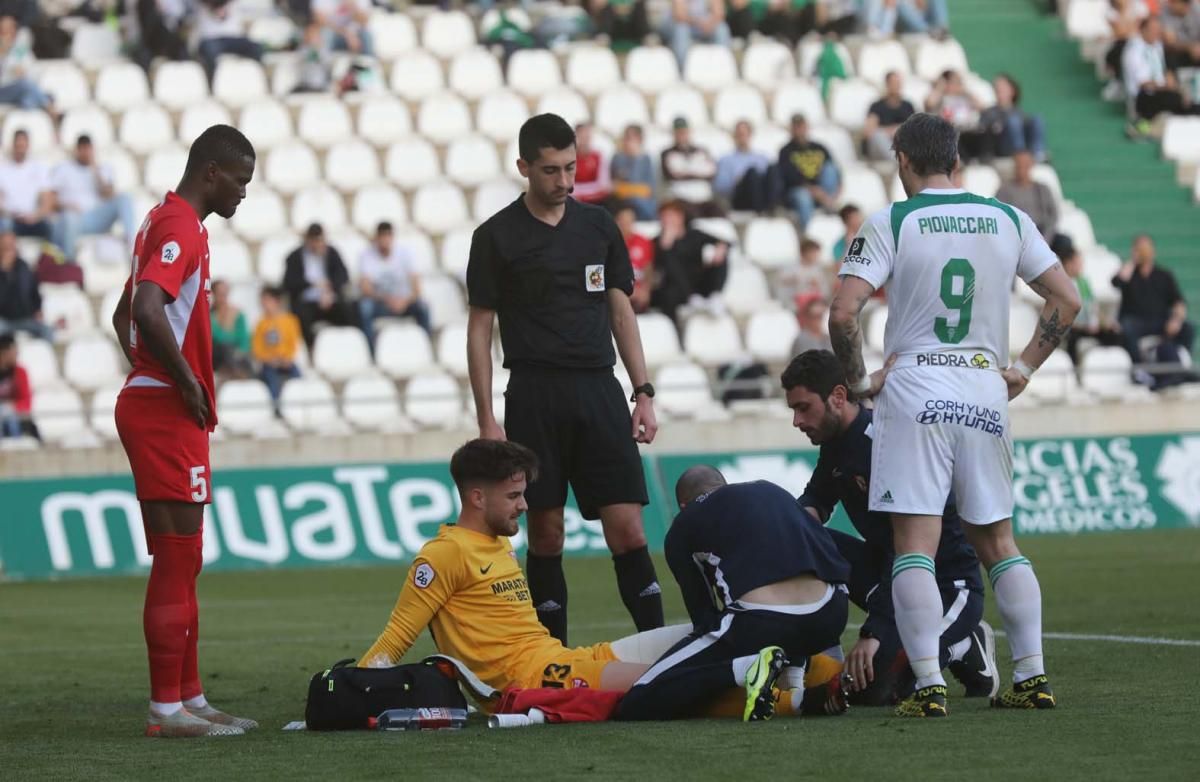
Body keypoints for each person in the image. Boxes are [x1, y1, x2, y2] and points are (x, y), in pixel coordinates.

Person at [828, 112, 1080, 717]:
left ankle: (928, 685)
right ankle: (1032, 677)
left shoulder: (893, 220)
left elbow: (843, 314)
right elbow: (1067, 299)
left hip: (916, 382)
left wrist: (862, 382)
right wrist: (1022, 369)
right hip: (983, 381)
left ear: (904, 161)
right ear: (957, 160)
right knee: (999, 541)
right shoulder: (1007, 218)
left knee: (915, 543)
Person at [359, 439, 835, 719]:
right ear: (477, 498)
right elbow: (397, 636)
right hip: (536, 679)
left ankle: (820, 676)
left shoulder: (497, 544)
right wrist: (351, 691)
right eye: (514, 496)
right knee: (660, 686)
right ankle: (798, 701)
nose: (524, 506)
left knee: (704, 637)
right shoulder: (443, 555)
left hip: (564, 658)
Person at [466, 114, 664, 646]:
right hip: (533, 395)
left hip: (599, 389)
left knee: (629, 529)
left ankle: (660, 654)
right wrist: (487, 418)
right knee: (546, 534)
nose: (564, 181)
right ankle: (550, 664)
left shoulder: (599, 227)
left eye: (571, 168)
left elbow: (621, 311)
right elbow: (480, 330)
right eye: (551, 170)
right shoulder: (495, 236)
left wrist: (642, 392)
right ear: (524, 167)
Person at [109, 124, 258, 739]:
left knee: (186, 558)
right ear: (212, 173)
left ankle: (189, 698)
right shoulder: (176, 228)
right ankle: (165, 710)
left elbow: (123, 314)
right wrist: (180, 380)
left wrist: (151, 371)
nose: (244, 194)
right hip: (167, 410)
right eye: (241, 181)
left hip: (162, 405)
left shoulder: (166, 222)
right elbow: (144, 310)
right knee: (176, 558)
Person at [783, 349, 998, 706]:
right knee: (800, 535)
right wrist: (787, 530)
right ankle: (810, 648)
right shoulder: (837, 444)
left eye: (803, 407)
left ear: (838, 397)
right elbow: (816, 499)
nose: (796, 420)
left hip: (945, 583)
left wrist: (874, 633)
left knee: (877, 687)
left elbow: (904, 548)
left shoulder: (884, 445)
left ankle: (965, 644)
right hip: (892, 576)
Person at [615, 469, 851, 721]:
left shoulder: (683, 525)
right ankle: (797, 694)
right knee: (789, 620)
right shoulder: (773, 491)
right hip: (832, 614)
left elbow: (705, 620)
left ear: (684, 505)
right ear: (724, 484)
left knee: (637, 701)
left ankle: (747, 669)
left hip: (765, 623)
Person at [51, 134, 138, 261]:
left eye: (88, 149)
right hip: (75, 218)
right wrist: (67, 206)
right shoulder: (63, 169)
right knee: (70, 218)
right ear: (77, 150)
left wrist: (95, 170)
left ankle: (132, 244)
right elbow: (52, 200)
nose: (86, 153)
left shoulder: (103, 168)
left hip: (98, 217)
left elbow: (109, 194)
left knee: (125, 198)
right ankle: (69, 261)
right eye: (83, 149)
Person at [1112, 234, 1194, 363]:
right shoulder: (1129, 273)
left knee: (1188, 328)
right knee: (1126, 327)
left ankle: (1181, 363)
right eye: (1139, 249)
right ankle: (1139, 367)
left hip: (1160, 321)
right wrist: (1133, 261)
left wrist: (1176, 320)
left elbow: (1178, 302)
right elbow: (1117, 282)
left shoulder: (1164, 275)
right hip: (1136, 321)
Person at [650, 199, 729, 325]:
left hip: (698, 282)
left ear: (681, 216)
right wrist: (666, 248)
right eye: (664, 216)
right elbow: (659, 268)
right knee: (670, 290)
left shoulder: (694, 235)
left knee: (721, 256)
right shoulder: (656, 241)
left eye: (671, 215)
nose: (667, 220)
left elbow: (724, 241)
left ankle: (715, 295)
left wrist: (720, 248)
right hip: (676, 288)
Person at [357, 221, 432, 349]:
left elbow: (417, 287)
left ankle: (426, 346)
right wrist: (388, 300)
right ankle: (371, 350)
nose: (385, 241)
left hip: (404, 303)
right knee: (365, 308)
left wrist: (405, 301)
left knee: (423, 307)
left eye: (388, 236)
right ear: (377, 238)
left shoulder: (405, 253)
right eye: (382, 237)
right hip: (381, 303)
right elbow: (366, 288)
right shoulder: (367, 255)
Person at [283, 223, 355, 350]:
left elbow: (343, 275)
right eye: (314, 241)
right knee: (300, 316)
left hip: (330, 299)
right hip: (307, 301)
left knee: (349, 310)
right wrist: (310, 284)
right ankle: (312, 348)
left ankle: (346, 346)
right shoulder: (295, 257)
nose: (317, 244)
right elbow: (289, 283)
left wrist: (330, 290)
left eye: (319, 240)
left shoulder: (331, 253)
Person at [1055, 235, 1121, 371]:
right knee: (1072, 339)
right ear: (1068, 263)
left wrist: (1102, 323)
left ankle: (1107, 369)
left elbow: (1092, 306)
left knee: (1113, 334)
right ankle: (1074, 371)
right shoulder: (1060, 284)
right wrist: (1083, 325)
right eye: (1078, 262)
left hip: (1088, 326)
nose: (1081, 266)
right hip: (1071, 328)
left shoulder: (1084, 282)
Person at [1124, 16, 1199, 128]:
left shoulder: (1157, 47)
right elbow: (1144, 84)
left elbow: (1165, 73)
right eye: (1153, 30)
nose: (1157, 33)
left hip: (1162, 92)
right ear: (1143, 30)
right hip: (1143, 97)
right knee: (1176, 100)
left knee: (1189, 102)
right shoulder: (1134, 51)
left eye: (1158, 30)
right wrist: (1167, 86)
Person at [778, 114, 839, 231]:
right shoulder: (785, 151)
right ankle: (809, 234)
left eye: (801, 126)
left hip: (824, 192)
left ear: (807, 127)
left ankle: (830, 211)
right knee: (803, 197)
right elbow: (791, 178)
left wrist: (834, 194)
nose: (799, 130)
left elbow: (836, 173)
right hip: (799, 191)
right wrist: (815, 192)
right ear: (791, 129)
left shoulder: (820, 147)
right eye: (796, 127)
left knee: (830, 168)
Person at [252, 285, 303, 412]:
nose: (264, 304)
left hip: (286, 361)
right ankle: (277, 409)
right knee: (272, 380)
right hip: (269, 363)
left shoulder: (290, 320)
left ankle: (299, 406)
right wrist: (269, 359)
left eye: (267, 300)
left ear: (276, 301)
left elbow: (294, 344)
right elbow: (257, 348)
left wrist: (287, 358)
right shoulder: (261, 323)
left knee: (298, 378)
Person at [0, 129, 55, 241]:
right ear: (13, 145)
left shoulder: (39, 168)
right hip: (11, 218)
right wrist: (11, 214)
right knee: (4, 224)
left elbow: (47, 201)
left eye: (23, 144)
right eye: (18, 144)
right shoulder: (3, 170)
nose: (20, 148)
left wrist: (36, 216)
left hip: (34, 219)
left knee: (53, 227)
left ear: (28, 145)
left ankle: (51, 258)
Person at [0, 14, 57, 119]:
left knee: (28, 99)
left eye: (11, 29)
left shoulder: (21, 48)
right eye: (4, 31)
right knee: (26, 86)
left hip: (19, 90)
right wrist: (3, 53)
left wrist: (23, 72)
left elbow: (32, 71)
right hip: (3, 91)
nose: (8, 34)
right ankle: (48, 105)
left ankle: (30, 104)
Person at [978, 74, 1046, 161]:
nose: (999, 89)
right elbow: (984, 133)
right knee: (1013, 121)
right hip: (1001, 148)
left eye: (1003, 87)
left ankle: (1037, 153)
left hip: (1025, 146)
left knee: (1037, 119)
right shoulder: (989, 112)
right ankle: (1019, 155)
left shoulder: (1019, 112)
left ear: (1012, 90)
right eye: (997, 87)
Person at [195, 0, 264, 85]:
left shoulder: (235, 4)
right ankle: (212, 84)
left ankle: (255, 81)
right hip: (210, 39)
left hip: (234, 38)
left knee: (256, 48)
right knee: (210, 51)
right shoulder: (200, 3)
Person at [996, 151, 1058, 242]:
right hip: (1018, 234)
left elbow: (1053, 215)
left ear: (1031, 165)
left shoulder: (1042, 189)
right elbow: (999, 215)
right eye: (1019, 165)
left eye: (1025, 165)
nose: (1022, 169)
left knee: (1065, 243)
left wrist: (1045, 238)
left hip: (1043, 232)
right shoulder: (1004, 190)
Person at [0, 229, 52, 340]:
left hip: (25, 318)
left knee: (47, 331)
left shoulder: (24, 267)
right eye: (5, 246)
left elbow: (35, 292)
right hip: (3, 320)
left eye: (11, 245)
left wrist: (38, 310)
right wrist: (4, 271)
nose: (9, 249)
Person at [712, 120, 771, 211]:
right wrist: (736, 181)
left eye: (744, 134)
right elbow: (720, 187)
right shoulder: (726, 160)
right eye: (739, 134)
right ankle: (761, 210)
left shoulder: (762, 158)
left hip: (762, 194)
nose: (742, 138)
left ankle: (772, 207)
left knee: (773, 169)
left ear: (750, 135)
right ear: (734, 136)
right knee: (752, 173)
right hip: (739, 198)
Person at [660, 117, 717, 207]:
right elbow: (670, 176)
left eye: (684, 132)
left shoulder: (702, 151)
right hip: (680, 198)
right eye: (678, 132)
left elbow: (711, 174)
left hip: (703, 197)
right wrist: (698, 171)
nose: (681, 135)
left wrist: (684, 171)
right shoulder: (667, 153)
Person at [863, 72, 916, 163]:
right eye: (894, 83)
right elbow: (869, 132)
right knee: (878, 135)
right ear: (887, 84)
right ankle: (899, 162)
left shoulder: (908, 106)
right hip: (880, 148)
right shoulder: (876, 106)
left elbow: (915, 130)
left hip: (902, 146)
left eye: (898, 83)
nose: (897, 86)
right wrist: (893, 131)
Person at [661, 0, 731, 68]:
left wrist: (709, 24)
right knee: (681, 29)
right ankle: (683, 68)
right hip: (684, 25)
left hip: (705, 26)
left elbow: (719, 13)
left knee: (722, 28)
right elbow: (679, 15)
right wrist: (699, 23)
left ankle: (723, 65)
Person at [611, 124, 657, 220]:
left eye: (632, 138)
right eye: (626, 137)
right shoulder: (617, 158)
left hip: (642, 202)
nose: (627, 141)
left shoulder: (645, 159)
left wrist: (636, 158)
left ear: (640, 140)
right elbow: (615, 187)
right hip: (622, 201)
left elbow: (649, 189)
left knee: (644, 204)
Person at [615, 203, 654, 313]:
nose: (627, 224)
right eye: (623, 220)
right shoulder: (608, 244)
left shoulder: (643, 242)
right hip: (617, 294)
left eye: (630, 220)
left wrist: (646, 290)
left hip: (639, 295)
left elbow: (648, 270)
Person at [210, 279, 252, 379]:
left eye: (225, 292)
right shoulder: (209, 315)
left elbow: (244, 339)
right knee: (225, 348)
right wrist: (231, 336)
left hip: (234, 355)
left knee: (240, 356)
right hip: (217, 356)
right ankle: (236, 373)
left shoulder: (237, 314)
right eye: (220, 293)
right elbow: (217, 337)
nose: (223, 296)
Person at [0, 331, 38, 439]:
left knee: (8, 414)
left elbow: (27, 401)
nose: (17, 354)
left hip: (15, 417)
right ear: (3, 353)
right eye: (13, 351)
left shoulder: (20, 372)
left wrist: (12, 407)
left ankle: (16, 443)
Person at [572, 122, 611, 205]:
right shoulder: (568, 157)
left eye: (587, 137)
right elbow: (566, 185)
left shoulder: (599, 156)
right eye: (581, 136)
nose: (584, 140)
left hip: (597, 200)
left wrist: (580, 193)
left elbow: (603, 185)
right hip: (573, 201)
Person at [1161, 0, 1200, 70]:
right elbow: (1170, 41)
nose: (1171, 4)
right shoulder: (1166, 10)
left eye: (1175, 2)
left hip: (1196, 50)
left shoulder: (1196, 9)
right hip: (1177, 52)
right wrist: (1190, 47)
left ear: (1185, 4)